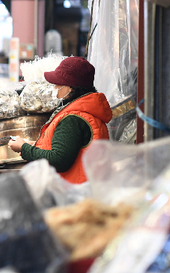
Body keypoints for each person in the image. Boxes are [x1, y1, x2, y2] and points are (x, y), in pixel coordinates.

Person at [8, 56, 112, 184]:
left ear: (70, 88)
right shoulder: (87, 113)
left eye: (58, 84)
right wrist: (35, 146)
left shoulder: (73, 119)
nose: (54, 87)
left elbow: (59, 160)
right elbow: (68, 148)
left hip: (73, 192)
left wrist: (24, 149)